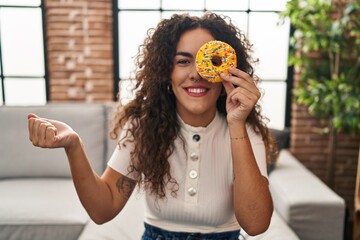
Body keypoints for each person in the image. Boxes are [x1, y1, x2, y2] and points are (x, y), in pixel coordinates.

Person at [28, 12, 277, 240]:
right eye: (183, 61)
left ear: (228, 71)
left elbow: (255, 225)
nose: (197, 74)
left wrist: (236, 125)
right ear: (166, 74)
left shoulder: (245, 132)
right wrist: (74, 146)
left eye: (209, 61)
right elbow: (103, 209)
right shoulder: (143, 127)